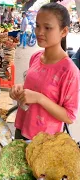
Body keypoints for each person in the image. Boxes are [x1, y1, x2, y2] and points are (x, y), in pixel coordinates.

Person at [10, 3, 80, 140]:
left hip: (44, 143)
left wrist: (39, 98)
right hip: (21, 128)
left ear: (64, 31)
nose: (39, 32)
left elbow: (69, 116)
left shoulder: (70, 71)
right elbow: (35, 89)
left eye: (47, 28)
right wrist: (20, 90)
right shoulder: (36, 57)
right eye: (37, 26)